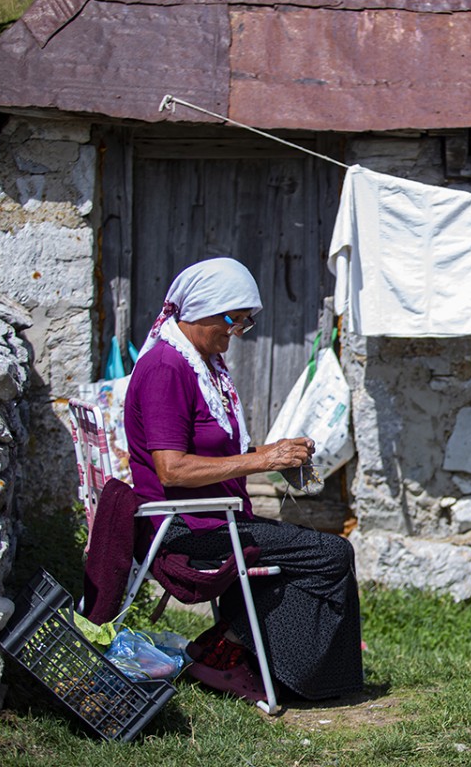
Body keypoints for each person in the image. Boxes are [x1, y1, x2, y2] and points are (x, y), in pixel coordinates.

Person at [124, 257, 362, 704]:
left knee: (316, 552)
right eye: (234, 320)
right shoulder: (166, 369)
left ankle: (235, 650)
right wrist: (260, 460)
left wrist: (277, 454)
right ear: (202, 309)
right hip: (182, 529)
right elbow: (172, 469)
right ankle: (235, 652)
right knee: (329, 555)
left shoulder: (203, 366)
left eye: (245, 323)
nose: (237, 333)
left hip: (213, 519)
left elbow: (216, 451)